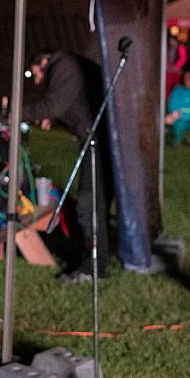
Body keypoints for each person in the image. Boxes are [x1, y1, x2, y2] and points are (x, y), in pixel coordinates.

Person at [26, 48, 112, 283]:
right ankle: (94, 260)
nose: (37, 81)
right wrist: (54, 116)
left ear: (44, 61)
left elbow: (53, 104)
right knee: (96, 204)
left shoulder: (63, 66)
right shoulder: (71, 63)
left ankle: (93, 269)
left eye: (36, 74)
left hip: (97, 142)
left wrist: (18, 113)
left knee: (89, 205)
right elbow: (73, 101)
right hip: (101, 139)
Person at [165, 70, 190, 146]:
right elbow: (174, 108)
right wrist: (187, 115)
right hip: (180, 118)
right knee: (178, 124)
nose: (187, 80)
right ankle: (177, 140)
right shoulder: (178, 90)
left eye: (189, 78)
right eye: (185, 77)